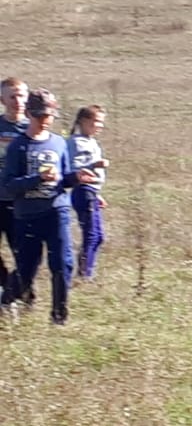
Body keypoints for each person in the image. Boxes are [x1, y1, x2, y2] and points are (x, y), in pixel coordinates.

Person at [1, 89, 97, 325]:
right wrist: (38, 179)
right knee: (26, 269)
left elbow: (63, 179)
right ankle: (6, 302)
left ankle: (59, 318)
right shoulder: (18, 147)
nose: (44, 120)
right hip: (27, 215)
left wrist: (77, 177)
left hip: (56, 212)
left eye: (48, 116)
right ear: (29, 115)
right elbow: (9, 186)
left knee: (63, 264)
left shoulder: (59, 143)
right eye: (39, 116)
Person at [67, 105, 110, 282]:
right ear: (83, 122)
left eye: (101, 122)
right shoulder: (75, 143)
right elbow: (73, 167)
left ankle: (87, 271)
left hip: (91, 191)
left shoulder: (91, 141)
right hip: (83, 191)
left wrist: (97, 193)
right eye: (96, 121)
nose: (100, 125)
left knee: (99, 236)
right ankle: (84, 275)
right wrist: (94, 165)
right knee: (91, 234)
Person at [0, 78, 29, 297]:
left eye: (20, 96)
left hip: (21, 201)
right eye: (12, 96)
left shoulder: (32, 128)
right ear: (2, 100)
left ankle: (24, 295)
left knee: (23, 252)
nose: (17, 101)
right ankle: (4, 287)